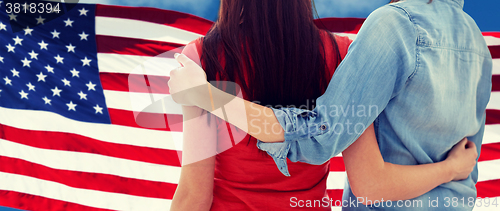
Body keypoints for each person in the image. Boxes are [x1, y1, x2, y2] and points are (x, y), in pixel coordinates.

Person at [169, 0, 484, 210]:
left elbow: (194, 194)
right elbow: (369, 173)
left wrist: (205, 94)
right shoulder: (340, 53)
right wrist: (451, 169)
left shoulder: (204, 59)